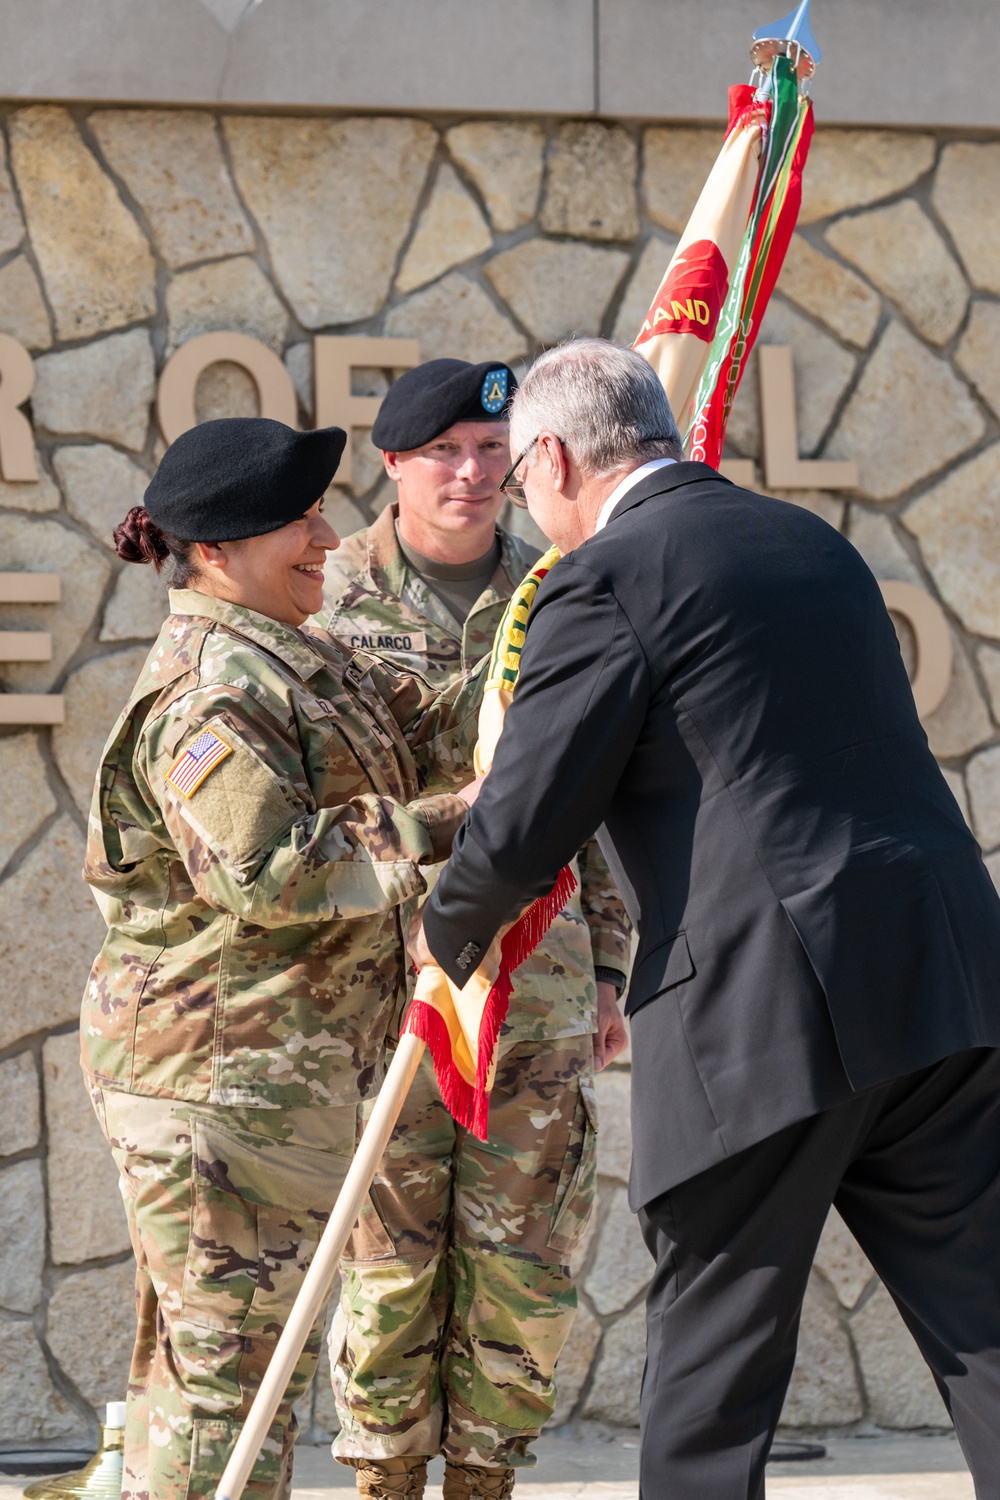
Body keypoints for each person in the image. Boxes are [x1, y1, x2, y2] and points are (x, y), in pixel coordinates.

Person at [413, 338, 1000, 1499]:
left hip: (769, 1006)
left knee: (711, 1375)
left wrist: (443, 942)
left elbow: (530, 817)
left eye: (523, 476)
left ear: (555, 456)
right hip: (941, 973)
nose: (527, 505)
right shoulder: (811, 545)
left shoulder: (608, 576)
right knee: (986, 1324)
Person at [81, 416, 484, 1500]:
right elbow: (267, 872)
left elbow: (443, 722)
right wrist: (454, 824)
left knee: (228, 1375)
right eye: (298, 519)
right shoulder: (215, 686)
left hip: (277, 1084)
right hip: (222, 1089)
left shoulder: (299, 655)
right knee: (224, 1398)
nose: (325, 535)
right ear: (216, 551)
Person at [314, 359, 631, 1500]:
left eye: (491, 451)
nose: (471, 473)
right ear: (393, 463)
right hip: (384, 984)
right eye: (443, 451)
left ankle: (486, 1479)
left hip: (533, 981)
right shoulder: (326, 594)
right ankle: (387, 1480)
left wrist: (604, 965)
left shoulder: (565, 585)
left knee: (520, 1258)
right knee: (389, 1261)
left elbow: (592, 791)